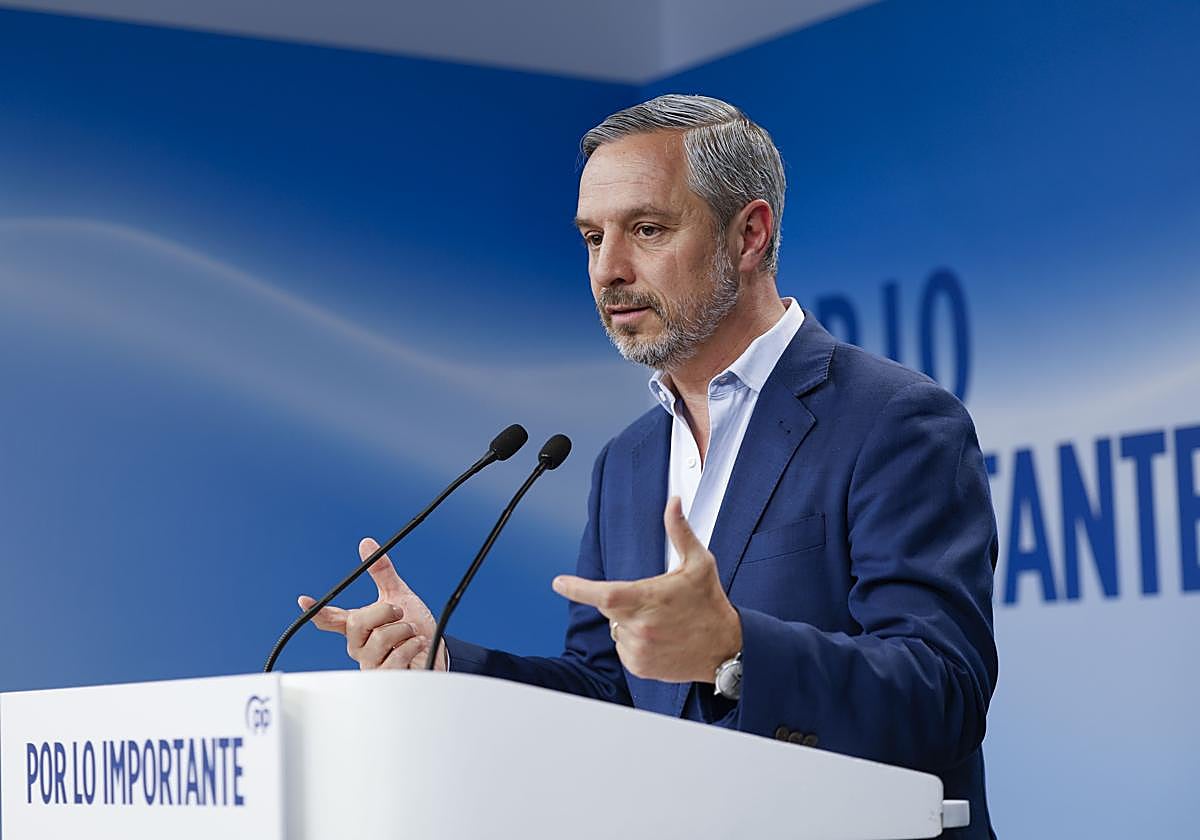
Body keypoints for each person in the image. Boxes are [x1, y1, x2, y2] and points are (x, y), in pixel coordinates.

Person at [298, 94, 999, 838]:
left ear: (749, 235)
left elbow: (944, 695)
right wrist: (445, 666)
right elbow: (612, 693)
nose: (608, 270)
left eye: (647, 230)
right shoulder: (627, 463)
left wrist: (735, 649)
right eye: (592, 237)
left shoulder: (894, 421)